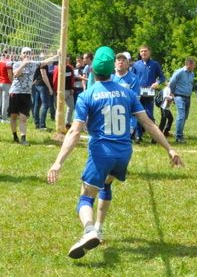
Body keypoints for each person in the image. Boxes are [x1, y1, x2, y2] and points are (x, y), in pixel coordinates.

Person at [47, 46, 183, 259]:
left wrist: (58, 162)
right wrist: (170, 148)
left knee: (85, 197)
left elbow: (74, 131)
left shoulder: (88, 94)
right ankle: (99, 228)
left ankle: (89, 230)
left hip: (102, 152)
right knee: (107, 184)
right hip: (124, 152)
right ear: (112, 69)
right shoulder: (128, 93)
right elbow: (148, 123)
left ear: (92, 70)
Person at [8, 47, 57, 144]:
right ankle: (15, 136)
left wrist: (57, 55)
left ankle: (23, 139)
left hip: (26, 93)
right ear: (21, 55)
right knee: (13, 116)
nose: (27, 54)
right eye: (25, 53)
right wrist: (24, 64)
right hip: (15, 92)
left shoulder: (34, 64)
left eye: (29, 53)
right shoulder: (17, 63)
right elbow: (16, 74)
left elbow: (45, 62)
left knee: (23, 117)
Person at [131, 45, 166, 141]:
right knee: (138, 113)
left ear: (149, 52)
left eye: (145, 51)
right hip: (138, 93)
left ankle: (154, 135)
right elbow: (131, 77)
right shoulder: (136, 65)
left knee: (149, 115)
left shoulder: (155, 64)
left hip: (149, 94)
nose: (143, 53)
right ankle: (138, 135)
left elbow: (162, 78)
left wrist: (157, 83)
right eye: (141, 51)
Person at [168, 57, 196, 144]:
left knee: (185, 116)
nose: (194, 66)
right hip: (179, 96)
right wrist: (171, 93)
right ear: (189, 64)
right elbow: (172, 82)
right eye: (194, 64)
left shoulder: (192, 74)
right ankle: (178, 136)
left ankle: (180, 134)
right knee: (181, 116)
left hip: (188, 97)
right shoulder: (179, 72)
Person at [52, 55, 76, 127]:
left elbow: (72, 78)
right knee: (59, 107)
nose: (67, 61)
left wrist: (72, 88)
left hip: (69, 91)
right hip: (61, 91)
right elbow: (55, 80)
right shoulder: (58, 68)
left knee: (71, 107)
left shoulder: (70, 68)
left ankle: (67, 123)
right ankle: (58, 123)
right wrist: (56, 91)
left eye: (67, 60)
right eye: (66, 60)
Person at [0, 52, 13, 123]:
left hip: (0, 82)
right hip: (6, 83)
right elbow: (9, 74)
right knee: (5, 101)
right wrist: (12, 82)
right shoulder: (8, 62)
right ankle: (4, 118)